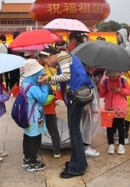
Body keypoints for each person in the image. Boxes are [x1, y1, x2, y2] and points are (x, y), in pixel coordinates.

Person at [38, 47, 93, 179]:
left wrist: (48, 79)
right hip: (76, 96)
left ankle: (77, 168)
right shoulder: (66, 57)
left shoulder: (62, 57)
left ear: (49, 55)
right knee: (75, 131)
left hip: (75, 96)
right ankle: (79, 162)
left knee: (74, 132)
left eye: (46, 61)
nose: (48, 64)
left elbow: (66, 76)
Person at [21, 59, 50, 172]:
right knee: (35, 139)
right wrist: (44, 85)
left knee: (27, 137)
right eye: (40, 73)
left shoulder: (25, 83)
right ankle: (33, 163)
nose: (42, 75)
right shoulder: (33, 87)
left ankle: (27, 159)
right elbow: (43, 98)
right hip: (34, 118)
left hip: (27, 117)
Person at [99, 70, 130, 155]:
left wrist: (119, 90)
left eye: (115, 76)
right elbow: (101, 94)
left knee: (121, 127)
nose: (113, 78)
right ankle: (111, 145)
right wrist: (100, 85)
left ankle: (121, 144)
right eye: (111, 76)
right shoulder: (105, 81)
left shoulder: (123, 80)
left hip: (120, 108)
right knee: (109, 127)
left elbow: (128, 92)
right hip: (109, 107)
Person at [38, 47, 61, 158]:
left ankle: (38, 150)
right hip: (49, 106)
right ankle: (57, 150)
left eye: (43, 57)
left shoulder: (40, 74)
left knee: (39, 129)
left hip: (42, 108)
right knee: (52, 129)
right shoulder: (43, 69)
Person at [82, 64, 100, 157]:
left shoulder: (83, 75)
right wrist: (95, 108)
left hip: (84, 105)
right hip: (89, 106)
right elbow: (91, 93)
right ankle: (85, 147)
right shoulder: (87, 77)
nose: (92, 68)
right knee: (88, 125)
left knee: (85, 124)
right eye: (90, 66)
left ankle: (84, 145)